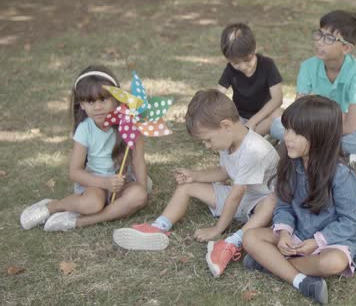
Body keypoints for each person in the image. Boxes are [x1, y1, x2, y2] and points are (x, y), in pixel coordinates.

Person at [113, 89, 279, 278]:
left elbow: (235, 196)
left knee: (272, 202)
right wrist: (195, 176)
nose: (208, 146)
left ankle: (232, 242)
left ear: (225, 125)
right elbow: (224, 171)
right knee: (186, 187)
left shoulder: (253, 150)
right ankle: (159, 226)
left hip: (262, 203)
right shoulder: (229, 140)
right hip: (245, 197)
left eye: (208, 140)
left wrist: (217, 229)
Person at [243, 95, 356, 304]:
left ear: (321, 137)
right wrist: (284, 232)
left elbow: (350, 222)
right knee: (250, 238)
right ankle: (300, 280)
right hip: (298, 234)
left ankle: (270, 264)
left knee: (333, 263)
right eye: (287, 130)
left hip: (331, 240)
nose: (288, 138)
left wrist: (318, 241)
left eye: (298, 133)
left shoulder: (341, 176)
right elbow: (284, 204)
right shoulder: (291, 164)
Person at [20, 65, 150, 231]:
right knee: (92, 204)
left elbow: (138, 161)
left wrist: (142, 190)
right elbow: (75, 172)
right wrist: (104, 183)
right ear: (81, 105)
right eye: (90, 101)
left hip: (122, 183)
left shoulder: (131, 123)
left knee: (138, 195)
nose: (97, 107)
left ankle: (80, 222)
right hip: (94, 184)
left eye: (103, 99)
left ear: (116, 98)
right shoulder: (85, 129)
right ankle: (53, 206)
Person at [269, 10, 356, 167]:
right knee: (276, 125)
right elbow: (299, 112)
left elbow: (350, 126)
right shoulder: (308, 66)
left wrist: (313, 133)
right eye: (320, 34)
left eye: (329, 38)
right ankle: (333, 152)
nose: (320, 42)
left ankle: (310, 148)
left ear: (346, 48)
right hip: (321, 123)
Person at [217, 23, 284, 136]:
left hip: (265, 116)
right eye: (236, 63)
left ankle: (245, 138)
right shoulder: (230, 70)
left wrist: (254, 121)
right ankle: (251, 137)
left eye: (247, 60)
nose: (243, 67)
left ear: (255, 49)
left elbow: (277, 99)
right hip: (240, 118)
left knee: (279, 113)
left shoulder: (267, 65)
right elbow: (218, 95)